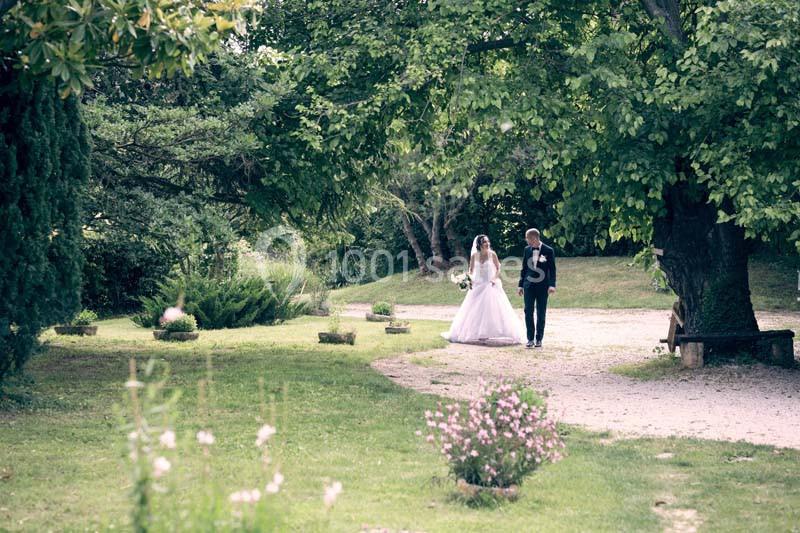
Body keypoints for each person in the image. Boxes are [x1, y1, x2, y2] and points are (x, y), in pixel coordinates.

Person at [442, 234, 526, 345]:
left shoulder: (492, 254)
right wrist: (464, 279)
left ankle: (496, 332)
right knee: (474, 310)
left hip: (490, 284)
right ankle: (477, 334)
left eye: (488, 242)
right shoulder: (474, 256)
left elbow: (498, 268)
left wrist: (494, 279)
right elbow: (471, 271)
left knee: (493, 308)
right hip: (477, 285)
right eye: (485, 242)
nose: (487, 244)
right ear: (479, 244)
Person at [517, 228, 556, 348]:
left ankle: (539, 339)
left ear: (534, 238)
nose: (526, 240)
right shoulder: (527, 250)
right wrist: (520, 285)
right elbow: (524, 268)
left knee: (541, 312)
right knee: (528, 311)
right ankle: (530, 339)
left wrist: (552, 285)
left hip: (543, 286)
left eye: (527, 238)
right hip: (528, 285)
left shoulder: (548, 250)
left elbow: (552, 269)